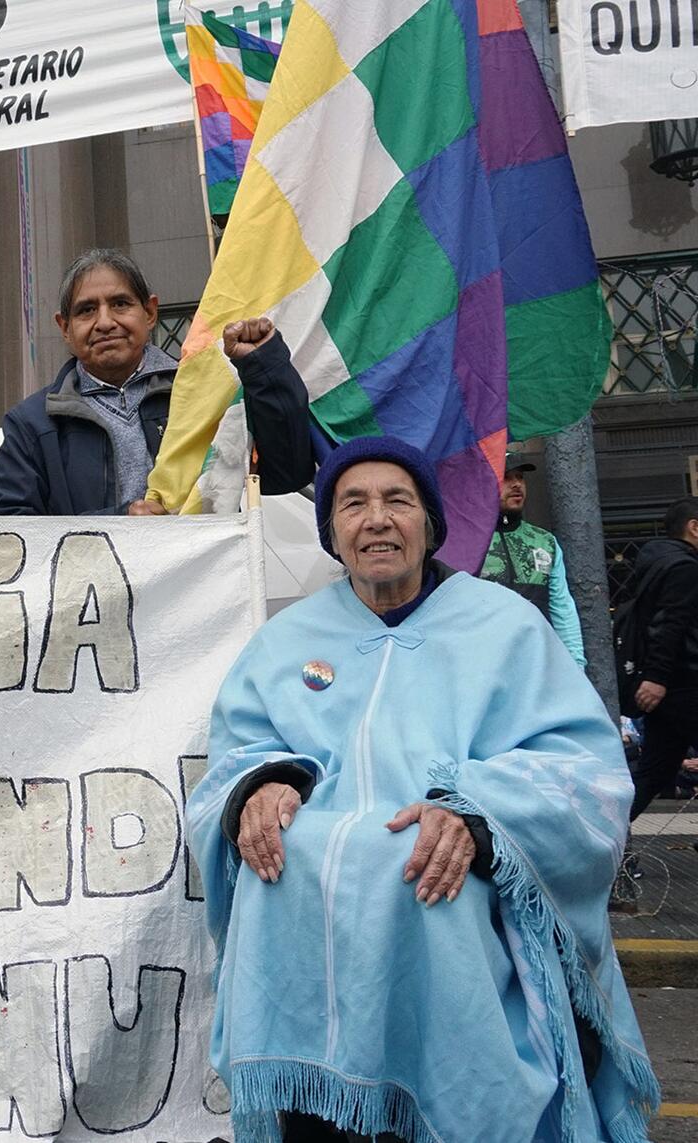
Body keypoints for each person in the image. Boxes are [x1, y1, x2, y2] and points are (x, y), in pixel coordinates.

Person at [187, 436, 657, 1143]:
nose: (376, 518)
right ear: (332, 532)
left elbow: (584, 776)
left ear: (431, 525)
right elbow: (235, 755)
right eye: (354, 504)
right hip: (316, 974)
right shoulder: (286, 641)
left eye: (397, 501)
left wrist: (475, 816)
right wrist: (261, 786)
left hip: (463, 949)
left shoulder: (505, 628)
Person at [0, 248, 316, 516]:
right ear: (65, 328)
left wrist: (261, 365)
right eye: (86, 310)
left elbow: (288, 472)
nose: (105, 322)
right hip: (92, 596)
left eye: (120, 304)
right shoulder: (32, 424)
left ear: (149, 312)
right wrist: (122, 520)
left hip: (203, 591)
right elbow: (12, 536)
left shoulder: (200, 397)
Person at [623, 496, 698, 819]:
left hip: (668, 688)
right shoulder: (684, 567)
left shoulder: (658, 562)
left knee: (653, 771)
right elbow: (670, 624)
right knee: (654, 770)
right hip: (685, 684)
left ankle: (600, 841)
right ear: (694, 528)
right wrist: (656, 676)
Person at [479, 451, 586, 667]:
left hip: (538, 662)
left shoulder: (545, 541)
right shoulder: (468, 543)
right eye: (506, 477)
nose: (517, 484)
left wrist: (575, 664)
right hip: (484, 663)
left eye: (520, 477)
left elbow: (561, 606)